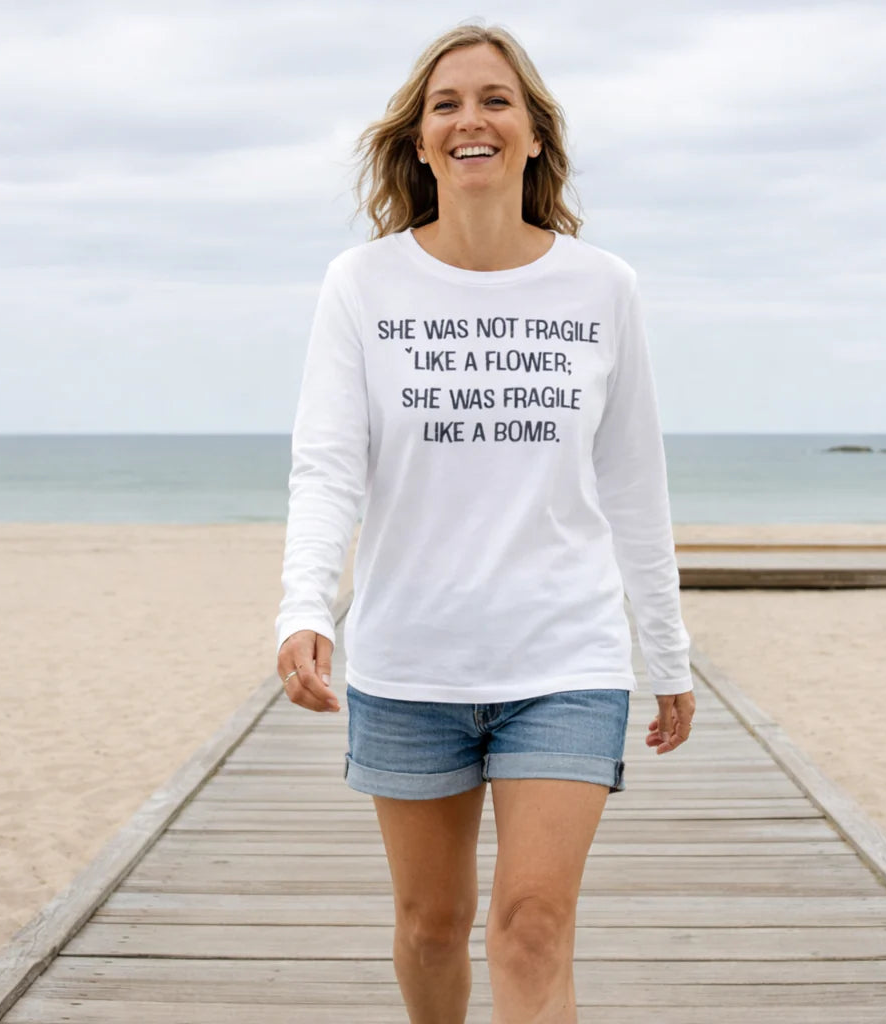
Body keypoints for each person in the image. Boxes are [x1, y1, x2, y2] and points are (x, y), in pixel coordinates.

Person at [274, 20, 696, 1024]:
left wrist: (666, 653)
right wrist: (304, 605)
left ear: (535, 134)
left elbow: (634, 482)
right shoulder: (362, 285)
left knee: (533, 927)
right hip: (408, 658)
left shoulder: (602, 288)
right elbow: (328, 463)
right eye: (446, 103)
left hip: (565, 657)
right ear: (419, 142)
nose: (472, 119)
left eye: (496, 99)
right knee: (430, 925)